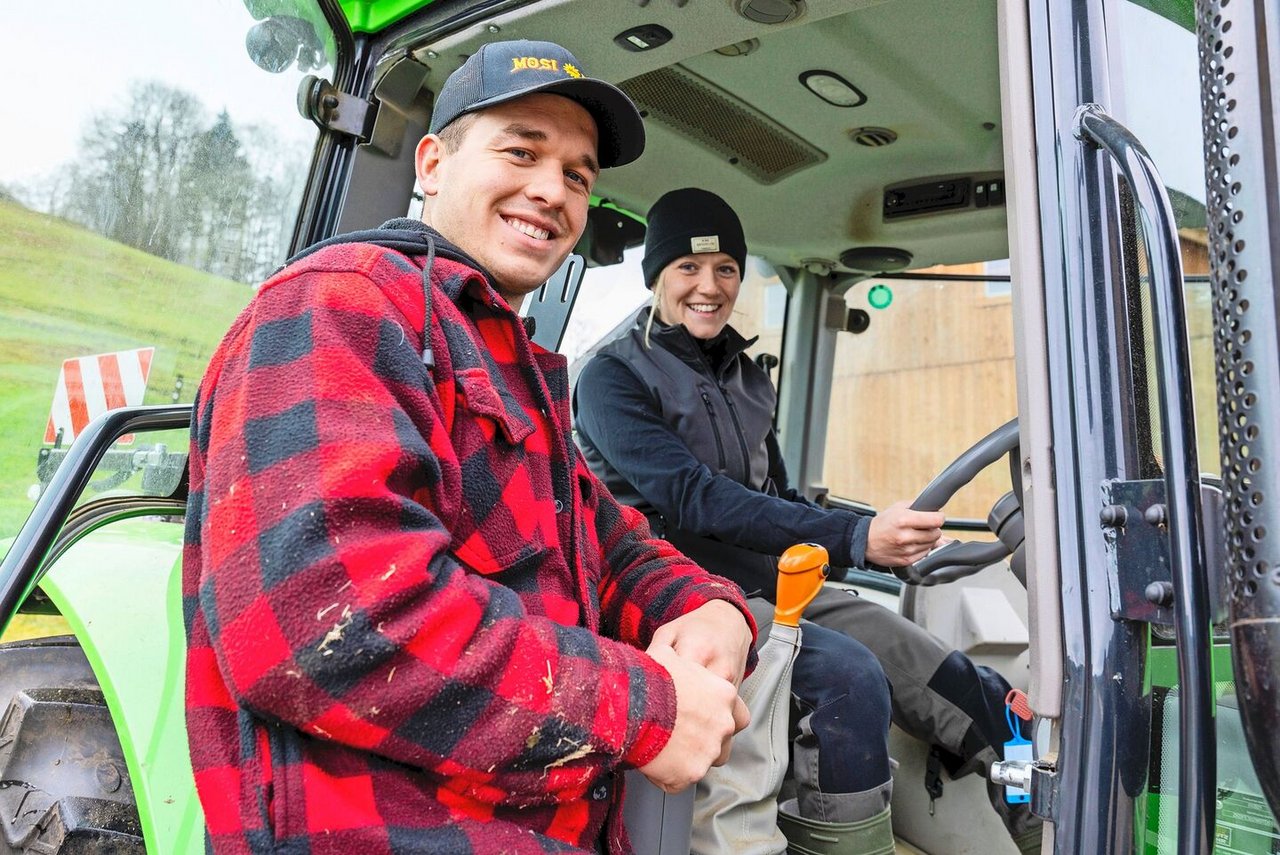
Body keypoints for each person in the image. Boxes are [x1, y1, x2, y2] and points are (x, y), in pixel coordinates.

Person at [182, 44, 759, 854]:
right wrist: (646, 709)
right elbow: (331, 623)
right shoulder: (339, 305)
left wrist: (711, 607)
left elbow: (605, 542)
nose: (552, 190)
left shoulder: (505, 361)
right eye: (521, 152)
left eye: (579, 175)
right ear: (431, 163)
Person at [573, 187, 1041, 852]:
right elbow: (694, 497)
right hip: (687, 599)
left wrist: (882, 535)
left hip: (781, 587)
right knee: (847, 678)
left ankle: (1044, 827)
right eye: (688, 267)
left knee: (972, 688)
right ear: (656, 276)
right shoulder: (611, 377)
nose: (709, 286)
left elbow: (784, 497)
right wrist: (856, 538)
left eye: (726, 269)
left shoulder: (746, 376)